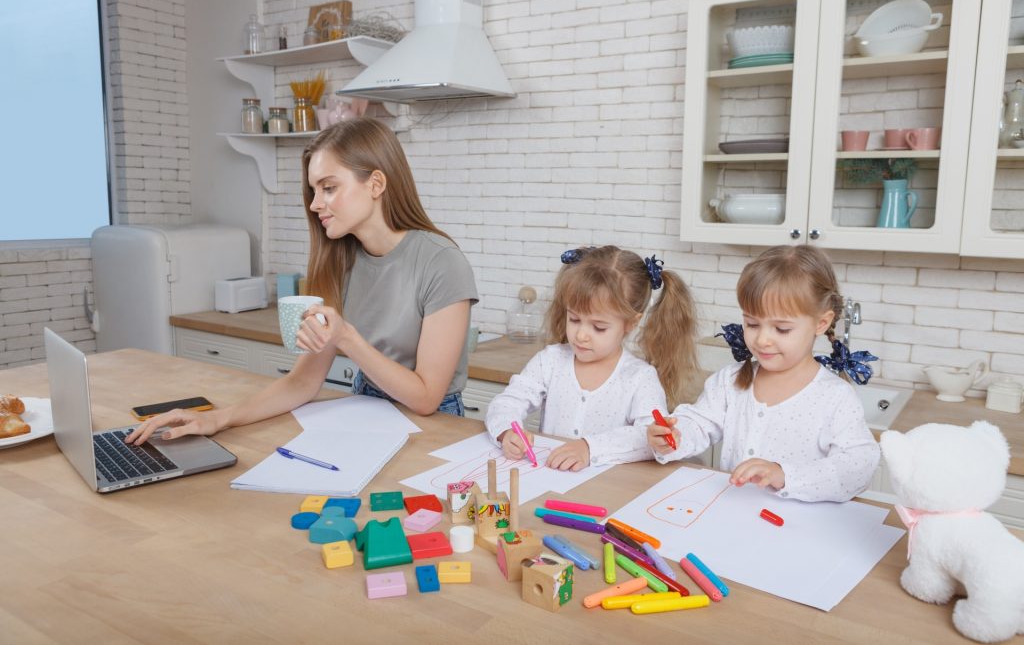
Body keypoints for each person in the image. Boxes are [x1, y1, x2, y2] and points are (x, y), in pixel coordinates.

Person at [128, 118, 478, 446]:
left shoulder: (440, 261)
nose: (314, 204)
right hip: (367, 406)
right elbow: (303, 381)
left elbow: (426, 397)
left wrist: (346, 337)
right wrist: (219, 420)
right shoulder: (340, 260)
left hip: (436, 425)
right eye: (314, 190)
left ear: (375, 184)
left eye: (328, 188)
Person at [647, 244, 880, 503]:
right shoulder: (730, 381)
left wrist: (784, 475)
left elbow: (858, 468)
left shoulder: (835, 397)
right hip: (732, 518)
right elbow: (699, 424)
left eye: (781, 329)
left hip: (799, 531)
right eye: (752, 324)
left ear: (821, 323)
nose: (763, 340)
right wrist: (674, 438)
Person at [485, 245, 701, 471]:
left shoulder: (640, 377)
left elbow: (649, 437)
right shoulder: (549, 361)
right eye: (574, 319)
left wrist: (590, 448)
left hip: (608, 491)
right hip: (549, 480)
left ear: (631, 323)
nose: (581, 335)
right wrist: (506, 432)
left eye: (598, 327)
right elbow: (508, 402)